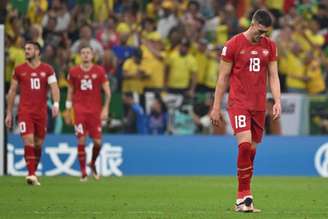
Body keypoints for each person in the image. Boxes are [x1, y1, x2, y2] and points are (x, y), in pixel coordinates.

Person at [210, 9, 281, 212]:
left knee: (251, 151)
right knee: (243, 146)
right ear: (252, 23)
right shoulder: (233, 44)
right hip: (238, 103)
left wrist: (277, 101)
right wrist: (216, 107)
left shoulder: (270, 46)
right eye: (260, 31)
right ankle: (244, 197)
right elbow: (222, 78)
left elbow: (273, 76)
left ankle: (243, 199)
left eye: (266, 32)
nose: (262, 35)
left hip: (259, 106)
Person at [5, 41, 60, 186]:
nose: (26, 51)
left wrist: (55, 104)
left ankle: (33, 173)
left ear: (37, 52)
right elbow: (12, 91)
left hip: (41, 113)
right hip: (25, 112)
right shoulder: (19, 70)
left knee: (38, 144)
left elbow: (54, 87)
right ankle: (31, 174)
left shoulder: (47, 69)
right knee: (28, 140)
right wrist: (9, 113)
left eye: (29, 49)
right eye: (25, 49)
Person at [66, 44, 111, 181]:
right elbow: (70, 92)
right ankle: (83, 172)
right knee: (81, 139)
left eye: (88, 52)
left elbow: (107, 92)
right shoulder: (73, 72)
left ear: (92, 56)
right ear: (80, 55)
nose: (85, 55)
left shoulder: (99, 71)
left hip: (95, 111)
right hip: (79, 110)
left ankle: (92, 163)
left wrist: (106, 108)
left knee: (98, 142)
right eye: (83, 52)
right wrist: (68, 110)